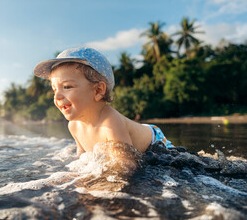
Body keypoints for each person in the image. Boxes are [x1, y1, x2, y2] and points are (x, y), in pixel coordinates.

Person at [34, 47, 174, 157]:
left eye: (67, 87)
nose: (57, 96)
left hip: (155, 142)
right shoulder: (74, 126)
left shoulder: (110, 122)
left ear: (98, 91)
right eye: (54, 90)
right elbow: (82, 157)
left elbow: (126, 166)